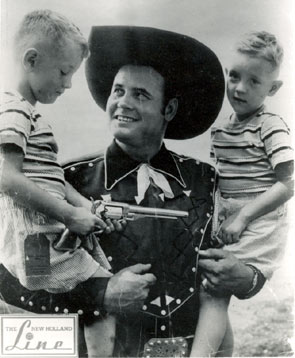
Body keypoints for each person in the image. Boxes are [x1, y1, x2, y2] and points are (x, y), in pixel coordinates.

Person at [0, 26, 267, 358]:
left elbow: (245, 262)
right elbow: (17, 280)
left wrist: (246, 278)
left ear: (168, 110)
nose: (122, 103)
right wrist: (101, 293)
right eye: (117, 91)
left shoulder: (206, 181)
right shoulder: (66, 182)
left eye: (140, 94)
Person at [0, 10, 126, 357]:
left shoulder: (28, 113)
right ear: (31, 60)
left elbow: (51, 177)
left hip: (37, 239)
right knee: (103, 294)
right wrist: (70, 217)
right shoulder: (14, 109)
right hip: (34, 240)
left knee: (50, 305)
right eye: (64, 71)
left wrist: (86, 208)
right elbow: (6, 177)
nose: (68, 83)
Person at [191, 31, 294, 357]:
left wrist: (244, 215)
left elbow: (289, 182)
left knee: (214, 292)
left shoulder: (271, 125)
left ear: (272, 88)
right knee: (208, 289)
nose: (240, 88)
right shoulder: (221, 129)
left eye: (254, 81)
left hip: (258, 217)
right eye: (234, 76)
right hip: (229, 214)